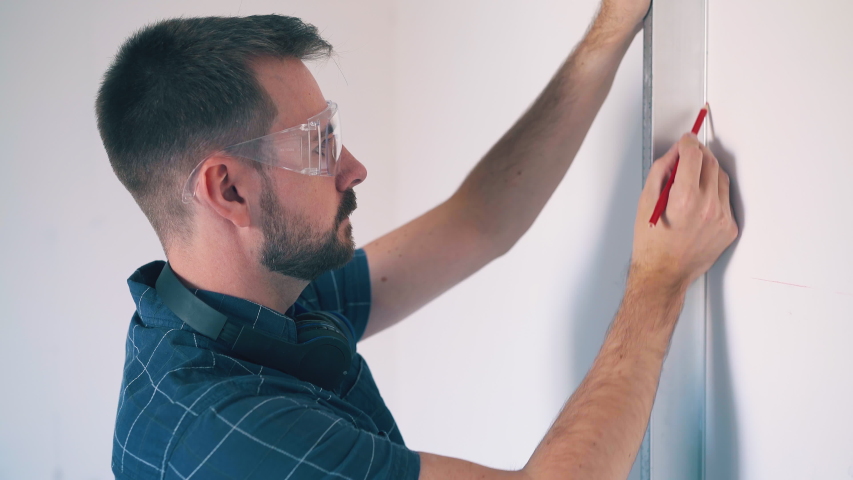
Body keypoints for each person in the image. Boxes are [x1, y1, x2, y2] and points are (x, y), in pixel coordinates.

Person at [96, 0, 737, 478]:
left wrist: (609, 32)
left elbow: (478, 221)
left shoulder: (264, 298)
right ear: (228, 190)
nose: (353, 168)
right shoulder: (229, 435)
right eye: (317, 145)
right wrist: (660, 280)